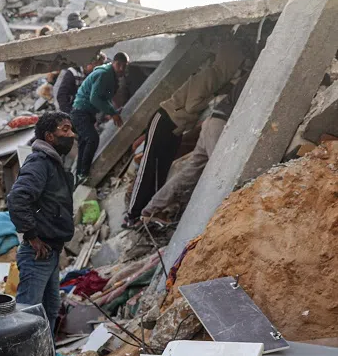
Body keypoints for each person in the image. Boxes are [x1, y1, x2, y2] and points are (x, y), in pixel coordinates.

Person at [124, 41, 246, 225]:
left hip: (176, 126)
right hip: (165, 120)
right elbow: (192, 105)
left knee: (163, 168)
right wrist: (213, 98)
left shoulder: (217, 78)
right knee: (148, 166)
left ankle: (154, 211)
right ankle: (133, 215)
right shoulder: (211, 75)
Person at [140, 76, 247, 225]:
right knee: (224, 173)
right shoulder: (256, 77)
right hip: (220, 124)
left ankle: (152, 209)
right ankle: (230, 218)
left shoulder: (246, 78)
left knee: (190, 172)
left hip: (212, 122)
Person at [7, 112, 75, 334]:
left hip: (50, 252)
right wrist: (32, 237)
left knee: (49, 312)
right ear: (50, 136)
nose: (71, 134)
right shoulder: (40, 162)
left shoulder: (53, 163)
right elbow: (17, 198)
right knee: (28, 318)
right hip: (38, 253)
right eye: (65, 130)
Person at [70, 52, 129, 181]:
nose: (121, 69)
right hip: (81, 112)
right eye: (119, 65)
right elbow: (95, 98)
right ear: (113, 63)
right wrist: (113, 113)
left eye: (124, 66)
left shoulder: (111, 76)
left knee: (84, 143)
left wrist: (113, 111)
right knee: (92, 139)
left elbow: (103, 98)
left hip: (86, 112)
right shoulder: (104, 74)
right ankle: (83, 174)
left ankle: (79, 175)